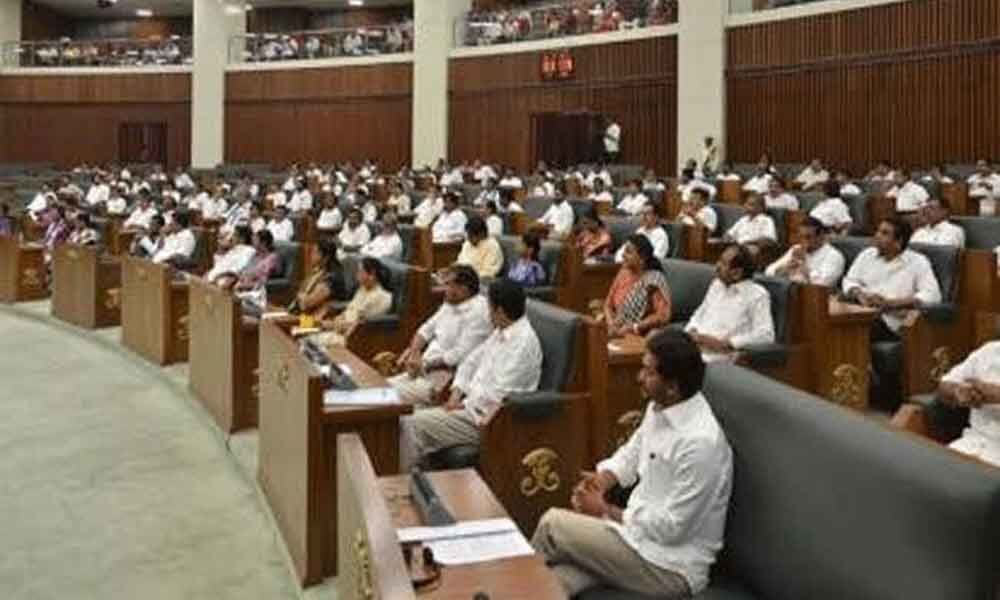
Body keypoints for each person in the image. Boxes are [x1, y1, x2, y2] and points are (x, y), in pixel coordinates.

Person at [532, 329, 732, 599]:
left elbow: (673, 529)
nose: (640, 377)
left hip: (670, 566)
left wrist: (605, 509)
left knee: (552, 525)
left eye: (648, 372)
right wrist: (602, 480)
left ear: (672, 386)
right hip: (635, 541)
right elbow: (631, 453)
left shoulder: (700, 443)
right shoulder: (660, 407)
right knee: (558, 580)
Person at [399, 279, 543, 471]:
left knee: (408, 424)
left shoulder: (524, 343)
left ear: (499, 311)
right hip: (469, 409)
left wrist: (467, 403)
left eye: (489, 308)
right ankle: (422, 478)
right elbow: (469, 362)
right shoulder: (501, 331)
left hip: (488, 422)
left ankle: (403, 486)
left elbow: (501, 396)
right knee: (407, 413)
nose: (487, 313)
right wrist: (456, 394)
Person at [389, 265, 493, 406]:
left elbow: (458, 355)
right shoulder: (451, 303)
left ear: (463, 290)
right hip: (422, 369)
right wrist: (414, 353)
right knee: (376, 385)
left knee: (383, 394)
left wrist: (425, 364)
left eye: (449, 285)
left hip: (443, 378)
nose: (444, 289)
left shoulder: (479, 312)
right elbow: (426, 329)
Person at [842, 218, 941, 339]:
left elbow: (932, 295)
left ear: (898, 241)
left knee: (846, 329)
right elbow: (849, 280)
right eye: (878, 231)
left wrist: (891, 303)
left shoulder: (918, 262)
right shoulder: (867, 254)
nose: (877, 236)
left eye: (884, 233)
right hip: (862, 310)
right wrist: (860, 294)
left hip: (889, 322)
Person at [685, 244, 775, 362]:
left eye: (723, 263)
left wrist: (728, 343)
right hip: (695, 346)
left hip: (719, 355)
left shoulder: (757, 295)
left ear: (736, 273)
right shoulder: (716, 285)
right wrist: (693, 331)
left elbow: (766, 335)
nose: (716, 266)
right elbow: (699, 313)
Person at [938, 340, 1000, 467]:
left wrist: (995, 394)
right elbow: (944, 385)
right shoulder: (988, 351)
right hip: (972, 442)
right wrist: (958, 391)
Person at [312, 257, 393, 347]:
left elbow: (362, 327)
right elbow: (349, 310)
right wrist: (336, 320)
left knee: (310, 339)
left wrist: (334, 325)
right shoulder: (363, 289)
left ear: (372, 274)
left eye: (360, 271)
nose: (356, 274)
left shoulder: (382, 297)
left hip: (348, 338)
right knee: (303, 326)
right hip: (335, 327)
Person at [604, 235, 672, 338]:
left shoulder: (653, 279)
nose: (623, 255)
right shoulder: (623, 272)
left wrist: (635, 326)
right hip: (617, 327)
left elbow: (663, 316)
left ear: (642, 258)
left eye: (628, 252)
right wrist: (611, 323)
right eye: (624, 251)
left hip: (640, 332)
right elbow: (608, 304)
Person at [765, 217, 845, 287]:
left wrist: (804, 264)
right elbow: (768, 271)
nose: (803, 241)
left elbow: (823, 284)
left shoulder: (834, 256)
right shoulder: (796, 249)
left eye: (808, 237)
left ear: (821, 236)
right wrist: (785, 268)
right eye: (801, 237)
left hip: (815, 298)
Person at [287, 237, 349, 317]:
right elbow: (301, 292)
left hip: (321, 318)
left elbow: (307, 303)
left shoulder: (332, 276)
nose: (311, 255)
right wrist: (302, 297)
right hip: (307, 314)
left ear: (326, 257)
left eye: (314, 252)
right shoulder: (318, 270)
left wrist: (302, 297)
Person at [233, 229, 280, 308]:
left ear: (263, 243)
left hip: (256, 293)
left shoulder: (272, 258)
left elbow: (263, 282)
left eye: (255, 240)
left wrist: (244, 286)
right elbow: (244, 271)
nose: (252, 242)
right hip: (241, 287)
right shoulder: (254, 254)